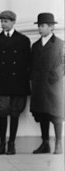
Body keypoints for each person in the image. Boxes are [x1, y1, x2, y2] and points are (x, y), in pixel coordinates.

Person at [0, 10, 31, 155]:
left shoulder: (24, 40)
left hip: (18, 82)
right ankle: (1, 144)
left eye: (6, 21)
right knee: (2, 113)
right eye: (1, 21)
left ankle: (11, 143)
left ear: (13, 22)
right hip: (1, 83)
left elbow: (27, 63)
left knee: (15, 113)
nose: (3, 24)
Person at [30, 12, 63, 155]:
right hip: (39, 86)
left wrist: (56, 75)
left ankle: (59, 144)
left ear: (51, 27)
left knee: (56, 115)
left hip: (53, 86)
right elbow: (31, 64)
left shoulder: (60, 44)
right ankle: (45, 143)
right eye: (39, 25)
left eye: (43, 26)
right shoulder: (36, 45)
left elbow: (64, 62)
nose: (40, 28)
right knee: (42, 114)